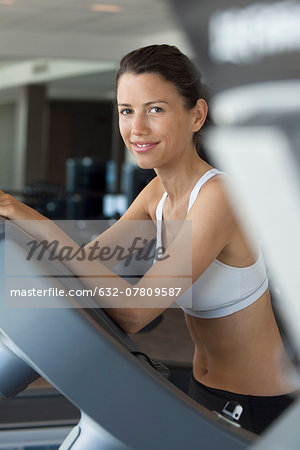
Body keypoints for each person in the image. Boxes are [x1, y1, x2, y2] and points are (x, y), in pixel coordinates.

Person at [0, 44, 298, 434]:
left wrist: (26, 213)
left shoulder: (218, 197)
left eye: (155, 109)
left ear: (197, 115)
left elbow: (137, 312)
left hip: (259, 406)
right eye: (126, 111)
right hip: (204, 389)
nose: (136, 128)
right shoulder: (156, 194)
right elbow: (84, 263)